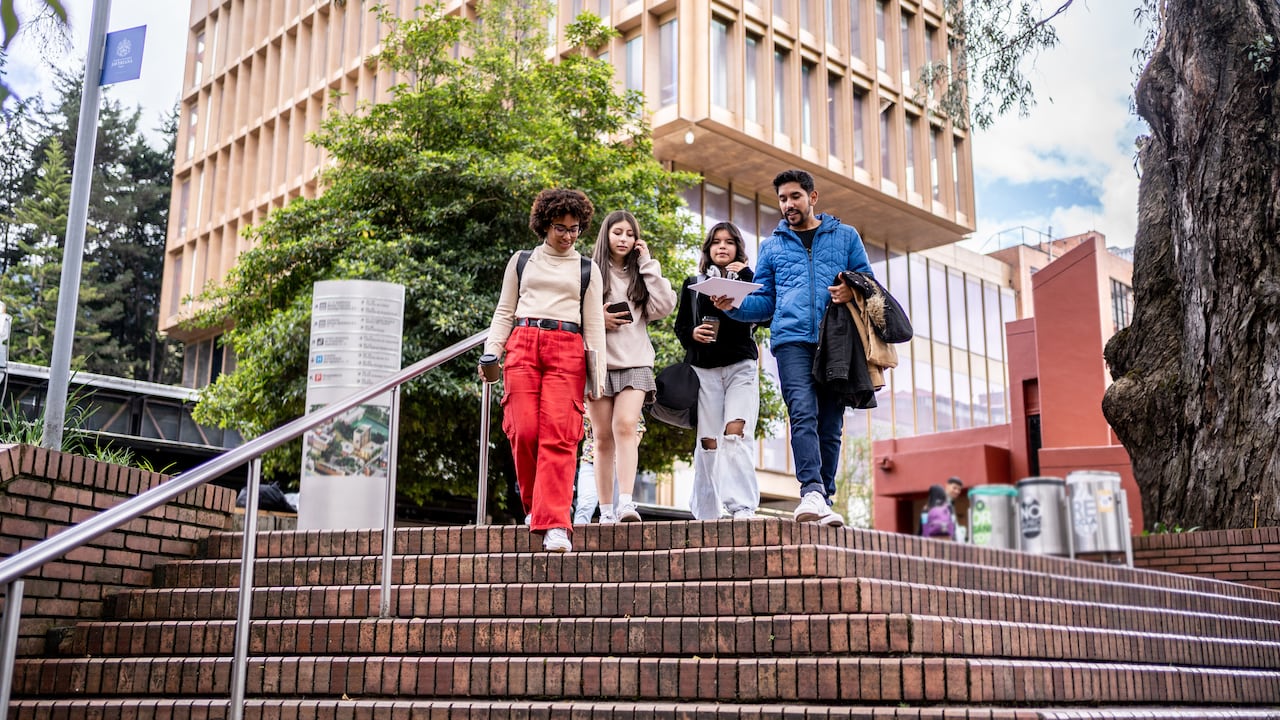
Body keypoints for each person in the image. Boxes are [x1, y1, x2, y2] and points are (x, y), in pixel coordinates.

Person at [713, 169, 873, 527]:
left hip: (837, 341)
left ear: (812, 197)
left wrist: (852, 290)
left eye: (795, 197)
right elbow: (765, 303)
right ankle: (811, 490)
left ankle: (825, 499)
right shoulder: (772, 246)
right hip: (790, 341)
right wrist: (734, 307)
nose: (788, 205)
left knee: (831, 424)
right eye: (783, 199)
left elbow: (868, 283)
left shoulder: (845, 237)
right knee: (802, 411)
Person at [483, 188, 606, 553]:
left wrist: (595, 381)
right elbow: (505, 310)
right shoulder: (521, 261)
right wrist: (491, 352)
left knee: (559, 434)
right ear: (543, 225)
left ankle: (555, 523)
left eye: (575, 229)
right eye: (560, 228)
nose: (568, 235)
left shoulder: (587, 269)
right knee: (523, 430)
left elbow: (594, 325)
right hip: (522, 341)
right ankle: (537, 507)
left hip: (567, 348)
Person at [587, 210, 677, 524]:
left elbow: (664, 306)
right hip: (597, 363)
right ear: (606, 235)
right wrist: (600, 319)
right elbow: (571, 314)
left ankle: (627, 503)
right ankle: (607, 510)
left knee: (625, 426)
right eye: (617, 233)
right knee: (601, 437)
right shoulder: (588, 270)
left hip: (635, 361)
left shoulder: (641, 272)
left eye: (629, 233)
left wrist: (648, 262)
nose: (623, 239)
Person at [674, 221, 760, 520]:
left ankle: (742, 506)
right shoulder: (693, 283)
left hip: (740, 365)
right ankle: (707, 511)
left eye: (729, 242)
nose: (722, 246)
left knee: (735, 432)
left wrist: (746, 273)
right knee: (708, 441)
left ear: (738, 248)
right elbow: (681, 326)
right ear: (708, 249)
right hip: (704, 369)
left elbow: (764, 315)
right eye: (716, 242)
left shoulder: (749, 279)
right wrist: (693, 334)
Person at [573, 415, 644, 524]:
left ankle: (617, 536)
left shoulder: (626, 402)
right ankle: (578, 538)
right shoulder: (590, 402)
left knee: (618, 509)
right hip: (590, 459)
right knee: (585, 505)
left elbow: (637, 429)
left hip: (618, 464)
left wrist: (623, 453)